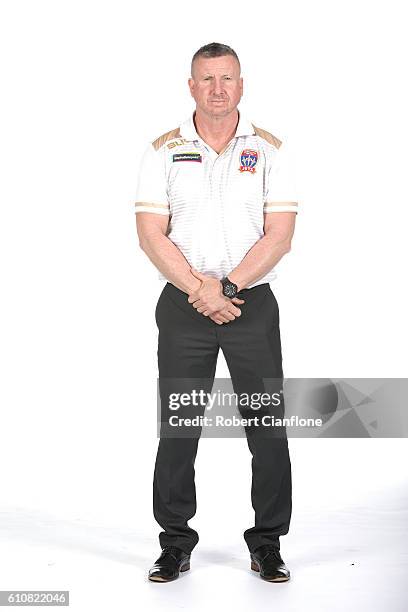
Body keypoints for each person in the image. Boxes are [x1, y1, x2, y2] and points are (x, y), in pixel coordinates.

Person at [135, 42, 299, 583]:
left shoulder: (270, 150)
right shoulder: (163, 150)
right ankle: (175, 543)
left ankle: (268, 542)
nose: (217, 88)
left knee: (266, 426)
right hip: (183, 307)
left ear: (241, 84)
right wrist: (199, 289)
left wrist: (226, 286)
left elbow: (279, 237)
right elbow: (150, 234)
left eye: (226, 77)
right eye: (206, 79)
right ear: (191, 86)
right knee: (180, 426)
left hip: (252, 306)